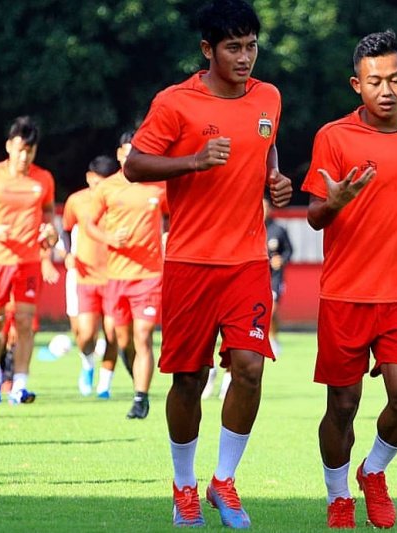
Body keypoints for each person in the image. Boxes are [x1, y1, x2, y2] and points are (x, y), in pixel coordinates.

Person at [123, 0, 292, 527]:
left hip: (246, 261)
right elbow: (133, 165)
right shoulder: (175, 104)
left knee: (249, 368)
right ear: (207, 50)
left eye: (251, 46)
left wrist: (276, 181)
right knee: (189, 379)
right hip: (190, 264)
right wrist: (191, 161)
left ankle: (224, 480)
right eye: (233, 47)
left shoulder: (269, 97)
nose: (245, 57)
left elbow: (266, 148)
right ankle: (182, 485)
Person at [303, 30, 397, 529]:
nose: (385, 90)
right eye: (373, 81)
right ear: (355, 85)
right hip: (344, 296)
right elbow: (314, 216)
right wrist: (334, 203)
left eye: (394, 80)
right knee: (342, 406)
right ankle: (338, 496)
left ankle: (375, 471)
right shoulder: (333, 137)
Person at [0, 115, 59, 405]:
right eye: (19, 149)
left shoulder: (43, 179)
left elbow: (48, 213)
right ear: (9, 146)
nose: (24, 156)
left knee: (25, 321)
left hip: (28, 262)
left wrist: (50, 232)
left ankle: (19, 385)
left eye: (30, 151)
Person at [86, 133, 169, 419]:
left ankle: (140, 397)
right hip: (116, 276)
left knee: (143, 334)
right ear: (120, 155)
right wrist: (109, 237)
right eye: (128, 152)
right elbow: (89, 224)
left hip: (149, 276)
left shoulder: (159, 187)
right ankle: (137, 381)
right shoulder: (108, 188)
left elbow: (179, 215)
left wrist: (171, 238)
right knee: (121, 339)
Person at [62, 155, 121, 398]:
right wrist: (67, 254)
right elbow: (65, 230)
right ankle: (87, 366)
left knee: (112, 334)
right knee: (85, 335)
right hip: (85, 278)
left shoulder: (119, 200)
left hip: (115, 277)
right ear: (89, 179)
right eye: (97, 184)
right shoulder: (76, 201)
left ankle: (104, 385)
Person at [264, 195, 293, 355]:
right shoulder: (252, 229)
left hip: (275, 277)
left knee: (271, 310)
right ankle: (266, 337)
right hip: (257, 276)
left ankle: (272, 339)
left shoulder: (278, 230)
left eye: (266, 207)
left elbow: (289, 250)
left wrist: (281, 259)